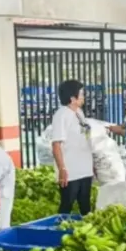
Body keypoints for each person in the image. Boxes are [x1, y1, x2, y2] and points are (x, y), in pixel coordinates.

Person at [49, 80, 95, 215]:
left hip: (84, 170)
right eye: (81, 94)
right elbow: (56, 144)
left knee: (85, 206)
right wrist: (62, 169)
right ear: (72, 98)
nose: (83, 97)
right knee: (67, 205)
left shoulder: (79, 112)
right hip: (71, 172)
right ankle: (58, 232)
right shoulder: (62, 115)